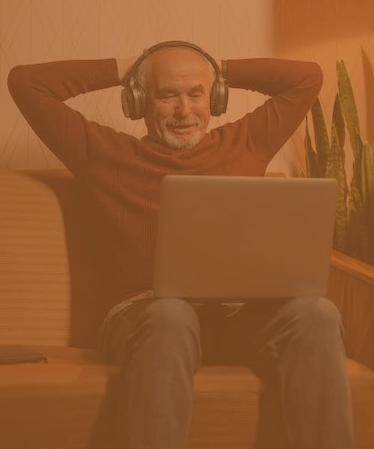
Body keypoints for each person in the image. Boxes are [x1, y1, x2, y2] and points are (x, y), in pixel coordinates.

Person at [8, 41, 353, 449]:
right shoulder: (102, 153)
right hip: (146, 321)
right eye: (167, 94)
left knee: (316, 312)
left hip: (234, 320)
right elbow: (26, 84)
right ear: (139, 101)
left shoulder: (246, 142)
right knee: (172, 313)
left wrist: (218, 68)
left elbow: (307, 78)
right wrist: (129, 68)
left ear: (216, 99)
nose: (184, 110)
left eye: (197, 94)